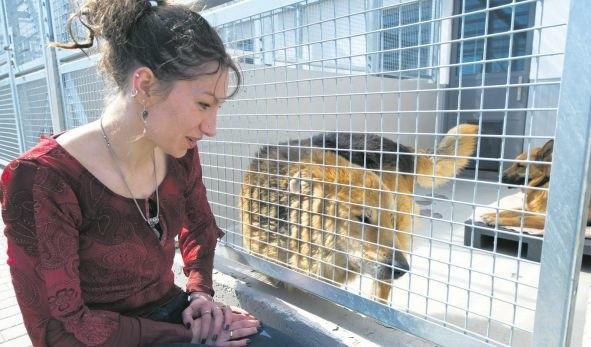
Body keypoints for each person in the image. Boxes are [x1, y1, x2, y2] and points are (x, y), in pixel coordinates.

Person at [0, 1, 300, 346]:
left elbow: (199, 227)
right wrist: (188, 337)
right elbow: (56, 329)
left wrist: (200, 297)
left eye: (217, 108)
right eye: (204, 104)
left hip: (172, 311)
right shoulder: (42, 179)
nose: (211, 127)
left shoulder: (179, 153)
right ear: (144, 84)